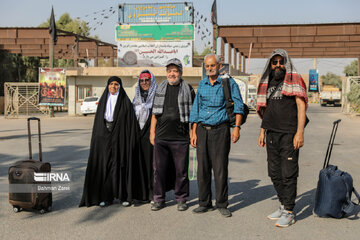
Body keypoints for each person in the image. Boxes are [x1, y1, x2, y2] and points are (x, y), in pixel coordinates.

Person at [257, 49, 308, 227]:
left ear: (286, 63)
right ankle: (282, 204)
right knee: (274, 172)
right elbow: (266, 110)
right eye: (274, 62)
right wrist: (262, 131)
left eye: (281, 62)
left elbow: (301, 107)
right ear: (270, 65)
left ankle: (289, 211)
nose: (278, 65)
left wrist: (299, 132)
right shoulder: (267, 82)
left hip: (289, 134)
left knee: (288, 173)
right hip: (271, 133)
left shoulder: (295, 79)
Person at [189, 54, 244, 218]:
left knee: (220, 168)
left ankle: (222, 203)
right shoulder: (202, 84)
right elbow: (196, 109)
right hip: (201, 130)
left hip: (220, 130)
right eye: (207, 66)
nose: (210, 68)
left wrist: (237, 128)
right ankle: (204, 203)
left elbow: (239, 105)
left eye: (212, 65)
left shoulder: (228, 83)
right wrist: (193, 131)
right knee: (202, 169)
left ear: (219, 66)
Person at [79, 76, 139, 207]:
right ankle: (106, 197)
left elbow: (130, 122)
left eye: (116, 84)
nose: (113, 87)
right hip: (104, 136)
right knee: (104, 165)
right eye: (111, 84)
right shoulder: (103, 100)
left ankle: (124, 196)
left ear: (120, 86)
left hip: (120, 137)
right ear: (107, 86)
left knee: (120, 164)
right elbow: (98, 123)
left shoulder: (125, 101)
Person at [150, 58, 195, 211]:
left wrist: (193, 132)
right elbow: (154, 114)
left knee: (181, 170)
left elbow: (194, 115)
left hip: (180, 137)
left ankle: (181, 199)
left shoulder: (188, 89)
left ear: (181, 73)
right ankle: (159, 199)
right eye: (169, 71)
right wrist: (152, 133)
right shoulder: (160, 88)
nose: (172, 73)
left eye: (175, 71)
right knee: (158, 170)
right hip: (161, 137)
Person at [132, 70, 158, 202]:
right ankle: (140, 193)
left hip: (152, 135)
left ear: (152, 80)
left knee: (152, 165)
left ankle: (153, 193)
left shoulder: (158, 96)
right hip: (138, 135)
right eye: (141, 80)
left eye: (147, 80)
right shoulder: (136, 98)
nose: (144, 83)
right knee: (139, 164)